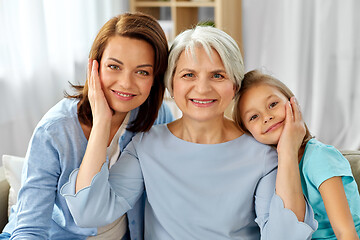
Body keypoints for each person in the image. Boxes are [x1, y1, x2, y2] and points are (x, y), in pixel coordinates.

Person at [61, 26, 317, 239]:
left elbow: (285, 236)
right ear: (171, 84)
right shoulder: (146, 145)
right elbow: (88, 213)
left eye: (217, 75)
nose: (202, 88)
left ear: (234, 85)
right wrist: (102, 122)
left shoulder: (262, 157)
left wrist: (287, 153)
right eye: (188, 75)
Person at [0, 12, 174, 240]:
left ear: (156, 79)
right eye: (114, 66)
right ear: (95, 66)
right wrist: (102, 123)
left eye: (142, 72)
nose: (126, 83)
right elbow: (29, 229)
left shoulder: (156, 118)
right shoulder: (55, 131)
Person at [233, 69, 360, 239]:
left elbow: (346, 233)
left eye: (272, 105)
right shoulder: (270, 171)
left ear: (293, 104)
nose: (267, 117)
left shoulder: (319, 157)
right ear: (247, 132)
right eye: (254, 117)